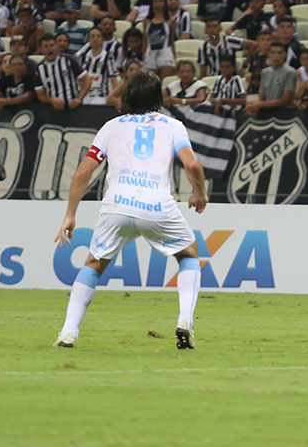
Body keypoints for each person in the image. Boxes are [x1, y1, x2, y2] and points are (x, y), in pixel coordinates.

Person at [53, 69, 207, 349]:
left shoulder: (111, 126)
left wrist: (70, 214)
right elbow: (193, 164)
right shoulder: (173, 126)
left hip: (117, 205)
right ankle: (185, 319)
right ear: (159, 97)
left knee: (93, 264)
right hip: (156, 206)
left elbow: (82, 172)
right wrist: (200, 192)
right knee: (188, 254)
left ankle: (68, 333)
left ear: (128, 95)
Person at [246, 41, 295, 116]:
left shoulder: (290, 72)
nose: (276, 56)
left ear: (284, 55)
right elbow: (261, 96)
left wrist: (260, 104)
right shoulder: (265, 72)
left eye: (279, 53)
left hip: (283, 114)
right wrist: (253, 105)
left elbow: (285, 101)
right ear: (268, 54)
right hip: (266, 112)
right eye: (273, 52)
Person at [38, 34, 83, 110]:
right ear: (41, 50)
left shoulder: (68, 59)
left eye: (52, 45)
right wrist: (51, 100)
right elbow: (40, 94)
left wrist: (79, 98)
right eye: (46, 46)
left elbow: (86, 80)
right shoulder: (39, 68)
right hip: (53, 109)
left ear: (56, 46)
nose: (50, 49)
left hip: (75, 107)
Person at [77, 28, 120, 105]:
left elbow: (113, 80)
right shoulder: (82, 57)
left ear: (102, 39)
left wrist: (117, 97)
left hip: (101, 96)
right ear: (88, 40)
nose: (95, 39)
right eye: (92, 36)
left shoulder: (108, 57)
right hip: (84, 95)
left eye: (98, 36)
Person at [142, 0, 176, 79]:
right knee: (151, 83)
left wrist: (174, 58)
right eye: (155, 1)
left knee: (164, 81)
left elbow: (171, 40)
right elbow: (145, 40)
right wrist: (144, 57)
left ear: (165, 3)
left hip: (165, 54)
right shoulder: (146, 21)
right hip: (150, 54)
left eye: (160, 1)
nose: (158, 4)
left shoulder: (170, 21)